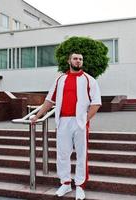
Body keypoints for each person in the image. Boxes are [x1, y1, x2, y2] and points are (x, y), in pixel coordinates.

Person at [31, 52, 102, 200]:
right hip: (63, 121)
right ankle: (65, 183)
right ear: (69, 61)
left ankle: (80, 186)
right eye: (75, 58)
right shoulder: (60, 79)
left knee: (81, 155)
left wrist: (84, 120)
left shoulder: (89, 80)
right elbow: (49, 101)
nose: (78, 61)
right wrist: (36, 116)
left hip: (80, 122)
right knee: (62, 154)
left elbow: (96, 103)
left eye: (81, 59)